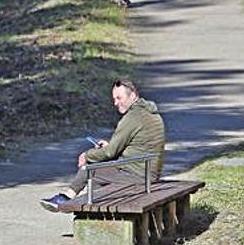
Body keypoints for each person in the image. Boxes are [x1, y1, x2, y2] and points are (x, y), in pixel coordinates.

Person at [41, 79, 165, 209]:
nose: (116, 103)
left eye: (119, 98)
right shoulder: (151, 114)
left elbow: (110, 152)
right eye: (114, 99)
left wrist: (87, 155)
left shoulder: (132, 118)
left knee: (88, 170)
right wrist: (108, 146)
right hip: (146, 171)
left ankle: (64, 200)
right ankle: (92, 214)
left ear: (132, 95)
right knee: (96, 182)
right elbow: (136, 146)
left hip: (137, 175)